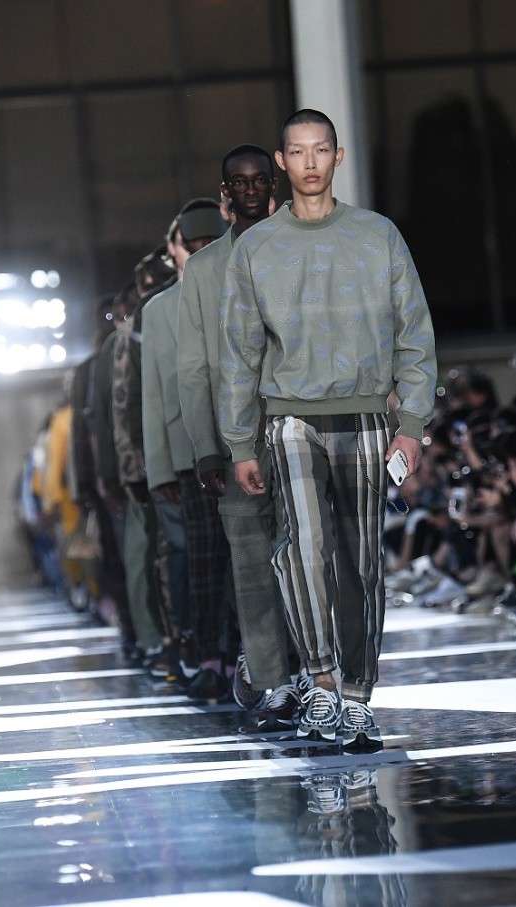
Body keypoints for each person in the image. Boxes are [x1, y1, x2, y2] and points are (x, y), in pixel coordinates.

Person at [219, 109, 438, 752]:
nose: (310, 162)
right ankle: (319, 682)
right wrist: (238, 441)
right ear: (283, 161)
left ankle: (356, 697)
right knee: (303, 551)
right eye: (298, 151)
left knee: (363, 561)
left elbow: (414, 332)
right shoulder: (257, 249)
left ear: (338, 158)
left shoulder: (378, 236)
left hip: (369, 415)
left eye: (321, 150)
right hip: (289, 417)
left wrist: (413, 424)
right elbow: (239, 350)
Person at [177, 144, 300, 729]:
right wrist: (206, 444)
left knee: (310, 557)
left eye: (258, 179)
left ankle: (314, 672)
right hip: (238, 437)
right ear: (225, 191)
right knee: (252, 562)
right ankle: (274, 682)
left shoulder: (306, 246)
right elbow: (196, 364)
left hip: (306, 426)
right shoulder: (202, 272)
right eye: (238, 182)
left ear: (271, 183)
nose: (249, 189)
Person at [141, 198, 229, 698]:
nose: (199, 253)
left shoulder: (240, 290)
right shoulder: (157, 311)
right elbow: (153, 397)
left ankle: (245, 659)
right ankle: (211, 656)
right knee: (203, 561)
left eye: (208, 244)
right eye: (190, 245)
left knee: (249, 562)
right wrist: (159, 472)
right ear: (174, 249)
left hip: (243, 445)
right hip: (188, 452)